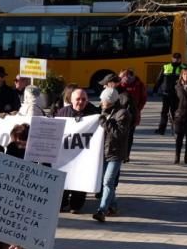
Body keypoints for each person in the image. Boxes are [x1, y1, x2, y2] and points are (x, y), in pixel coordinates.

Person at [56, 86, 99, 214]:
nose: (81, 102)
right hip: (65, 155)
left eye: (84, 99)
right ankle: (61, 204)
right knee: (63, 180)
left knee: (80, 180)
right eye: (78, 99)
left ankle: (76, 205)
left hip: (83, 155)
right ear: (71, 100)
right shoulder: (63, 113)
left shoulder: (94, 113)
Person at [92, 84, 132, 223]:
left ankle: (101, 210)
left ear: (110, 100)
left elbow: (119, 133)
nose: (101, 103)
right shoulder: (103, 111)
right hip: (102, 152)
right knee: (104, 181)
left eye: (103, 100)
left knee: (108, 181)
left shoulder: (123, 114)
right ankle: (113, 205)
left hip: (115, 153)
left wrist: (105, 123)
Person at [5, 124, 37, 249]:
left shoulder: (38, 153)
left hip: (31, 201)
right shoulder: (10, 148)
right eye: (17, 142)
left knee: (29, 244)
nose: (20, 146)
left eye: (22, 143)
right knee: (7, 241)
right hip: (12, 199)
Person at [118, 68, 147, 156]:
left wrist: (137, 109)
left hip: (133, 114)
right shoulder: (118, 85)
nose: (123, 78)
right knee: (119, 135)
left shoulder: (139, 84)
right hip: (119, 114)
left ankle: (126, 155)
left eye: (123, 76)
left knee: (129, 135)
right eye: (121, 76)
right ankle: (120, 153)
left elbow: (143, 99)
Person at [154, 52, 185, 134]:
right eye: (175, 58)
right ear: (172, 58)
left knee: (175, 112)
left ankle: (175, 129)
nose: (176, 59)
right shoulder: (166, 66)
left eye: (178, 58)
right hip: (166, 93)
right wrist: (155, 89)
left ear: (180, 59)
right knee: (164, 112)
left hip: (177, 94)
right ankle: (161, 129)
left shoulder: (184, 67)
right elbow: (159, 79)